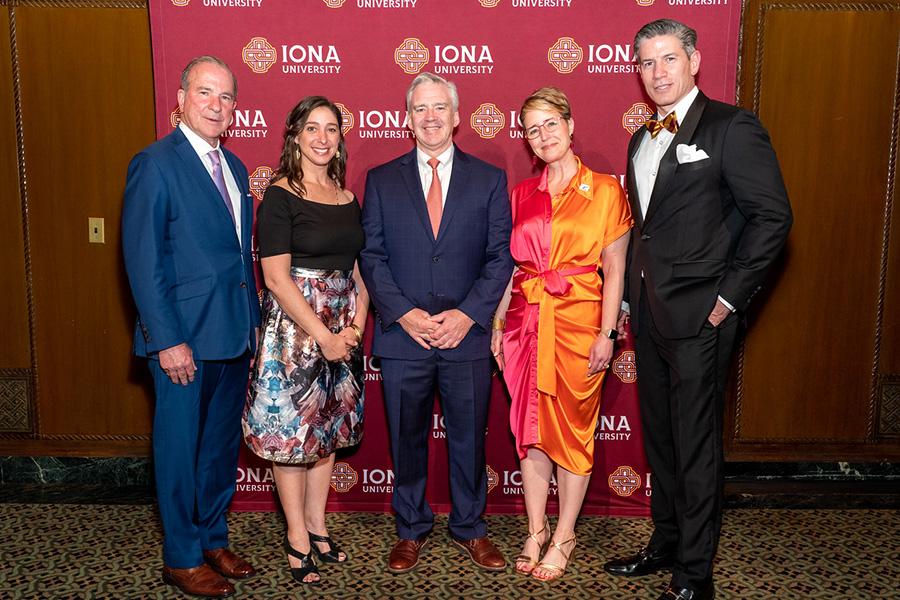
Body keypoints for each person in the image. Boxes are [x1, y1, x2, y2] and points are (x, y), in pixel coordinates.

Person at [602, 20, 793, 600]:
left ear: (694, 61)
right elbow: (649, 230)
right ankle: (665, 543)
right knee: (661, 437)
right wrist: (632, 297)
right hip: (654, 314)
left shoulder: (732, 127)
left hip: (704, 316)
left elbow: (773, 218)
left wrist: (728, 298)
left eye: (667, 59)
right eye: (645, 63)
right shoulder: (641, 138)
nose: (656, 72)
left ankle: (695, 576)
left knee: (697, 443)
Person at [359, 72, 513, 574]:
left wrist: (468, 314)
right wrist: (404, 313)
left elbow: (499, 258)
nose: (430, 117)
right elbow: (372, 255)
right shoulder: (381, 179)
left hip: (465, 336)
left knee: (469, 436)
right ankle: (410, 528)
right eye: (420, 109)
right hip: (403, 336)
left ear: (456, 116)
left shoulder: (489, 179)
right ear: (407, 118)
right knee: (406, 436)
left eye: (439, 108)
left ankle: (470, 527)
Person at [122, 56, 261, 598]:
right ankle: (180, 556)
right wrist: (168, 339)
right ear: (179, 98)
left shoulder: (237, 167)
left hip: (233, 333)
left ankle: (211, 538)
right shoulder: (154, 163)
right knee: (180, 447)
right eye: (205, 93)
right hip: (182, 339)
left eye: (226, 97)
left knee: (219, 448)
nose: (216, 105)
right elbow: (143, 259)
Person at [490, 87, 632, 582]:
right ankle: (534, 529)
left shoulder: (606, 192)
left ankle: (565, 533)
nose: (543, 135)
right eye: (532, 128)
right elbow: (514, 267)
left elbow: (614, 269)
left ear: (571, 125)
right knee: (530, 435)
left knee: (571, 433)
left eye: (551, 123)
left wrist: (608, 333)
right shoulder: (520, 193)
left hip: (578, 326)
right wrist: (498, 320)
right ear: (526, 140)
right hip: (523, 326)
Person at [242, 96, 368, 586]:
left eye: (331, 129)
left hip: (342, 327)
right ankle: (296, 535)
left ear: (340, 137)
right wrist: (323, 336)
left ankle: (317, 525)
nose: (322, 138)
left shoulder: (346, 196)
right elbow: (275, 277)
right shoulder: (280, 195)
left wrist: (354, 328)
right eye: (312, 128)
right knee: (292, 439)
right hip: (295, 331)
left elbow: (359, 271)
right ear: (295, 135)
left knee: (327, 433)